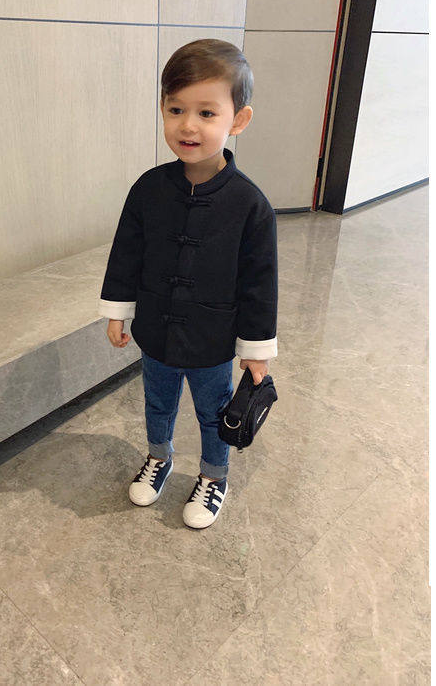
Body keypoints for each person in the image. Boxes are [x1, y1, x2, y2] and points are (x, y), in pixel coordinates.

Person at [98, 39, 278, 529]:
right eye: (176, 109)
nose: (188, 125)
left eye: (206, 112)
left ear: (238, 120)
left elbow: (260, 283)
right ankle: (159, 457)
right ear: (162, 108)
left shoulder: (250, 205)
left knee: (213, 411)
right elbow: (126, 253)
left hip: (212, 338)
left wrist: (256, 350)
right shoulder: (148, 189)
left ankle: (214, 476)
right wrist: (119, 310)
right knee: (157, 401)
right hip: (156, 328)